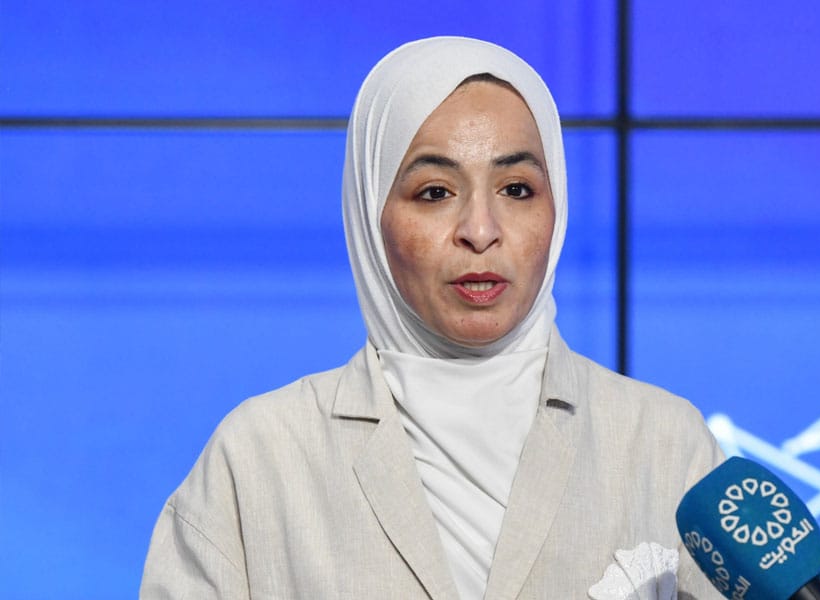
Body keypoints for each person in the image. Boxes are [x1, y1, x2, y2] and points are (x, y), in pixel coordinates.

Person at [140, 36, 725, 599]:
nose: (480, 230)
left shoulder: (665, 446)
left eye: (517, 189)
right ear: (370, 215)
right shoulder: (259, 459)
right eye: (436, 192)